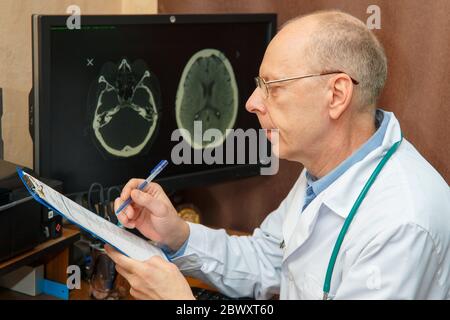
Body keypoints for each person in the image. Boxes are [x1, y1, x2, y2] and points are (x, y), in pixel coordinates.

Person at [105, 10, 450, 300]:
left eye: (272, 86)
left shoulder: (402, 223)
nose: (252, 102)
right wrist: (177, 235)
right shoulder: (326, 170)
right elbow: (268, 260)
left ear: (336, 95)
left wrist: (183, 302)